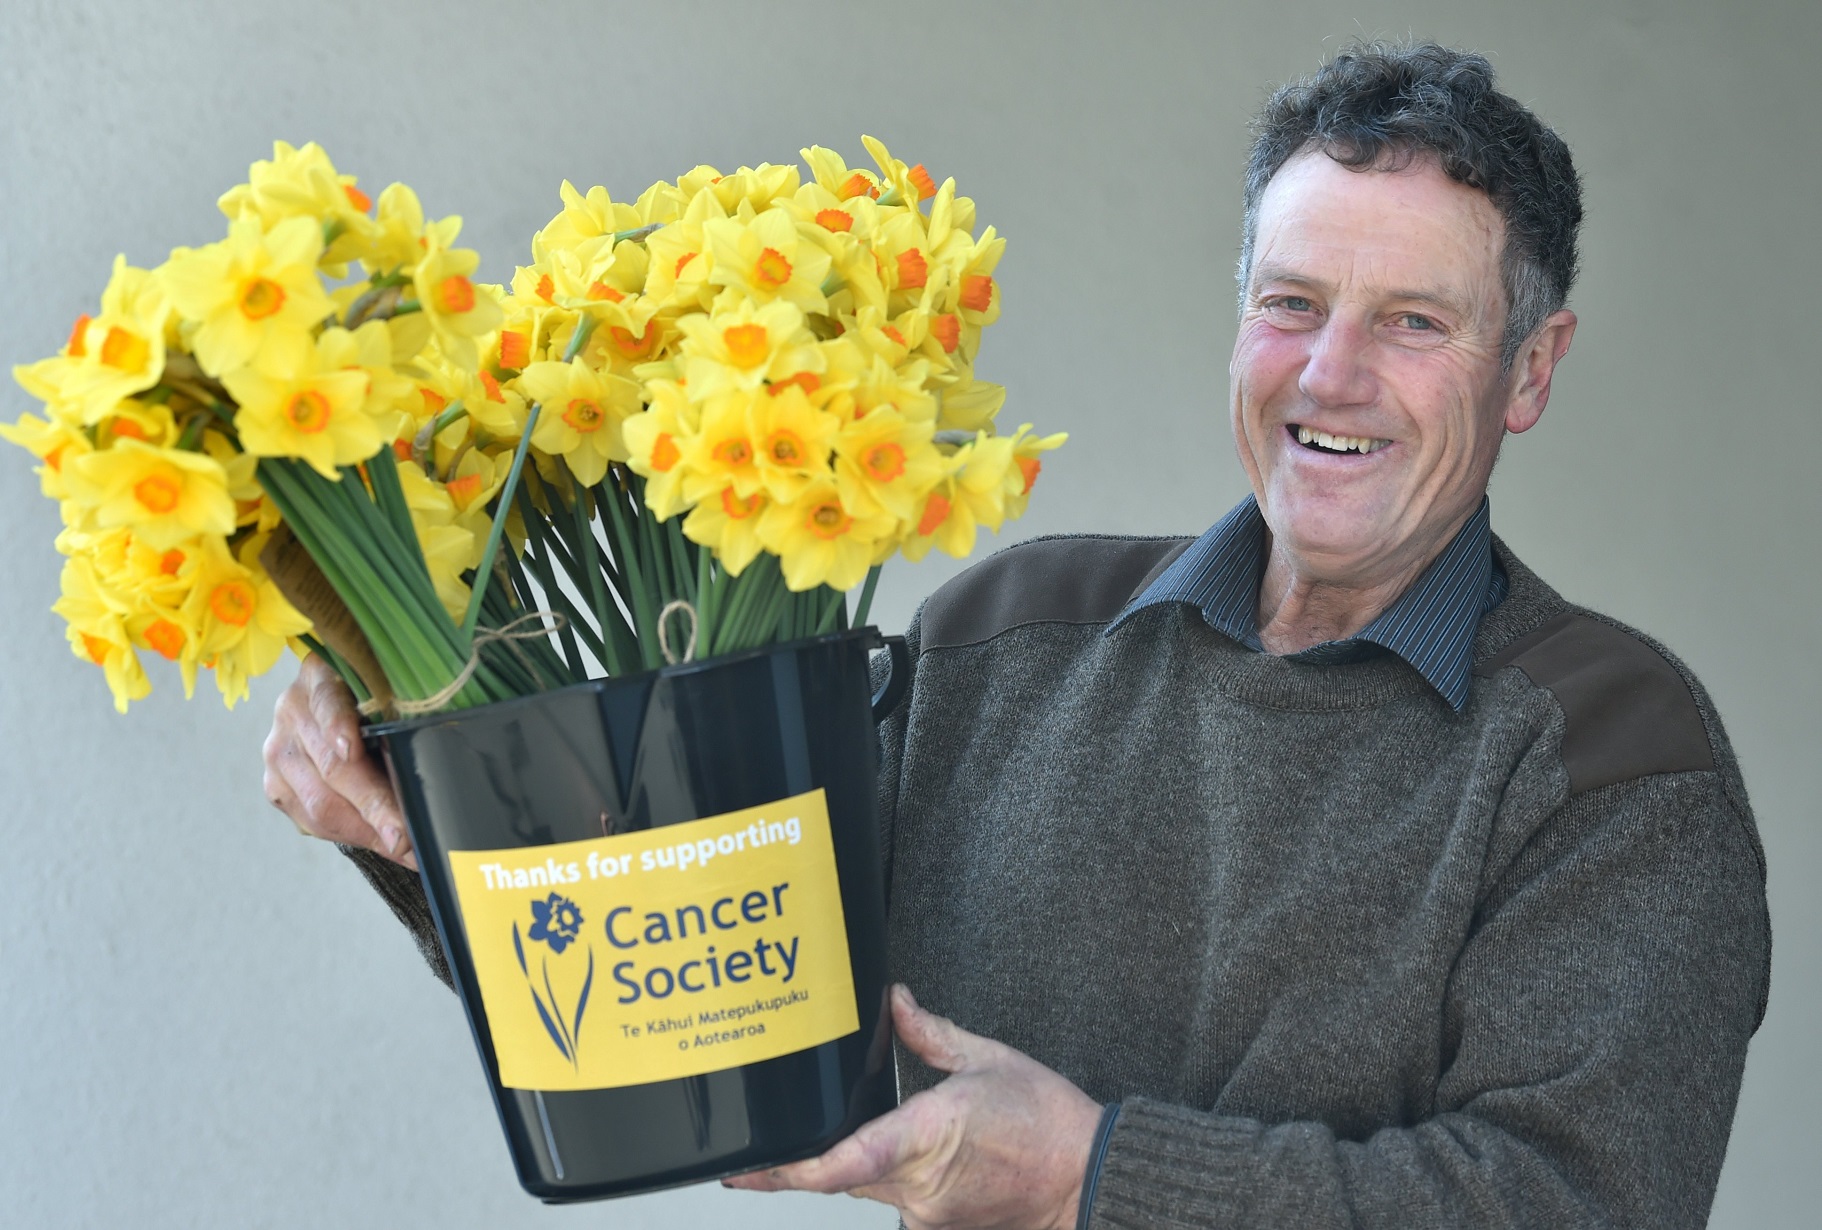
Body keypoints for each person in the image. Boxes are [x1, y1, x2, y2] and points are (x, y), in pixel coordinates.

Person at [265, 42, 1769, 1230]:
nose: (1331, 373)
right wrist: (424, 837)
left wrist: (1087, 1181)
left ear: (1528, 369)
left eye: (1413, 324)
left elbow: (1572, 1206)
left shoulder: (1610, 753)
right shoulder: (1015, 630)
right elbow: (718, 995)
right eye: (1291, 301)